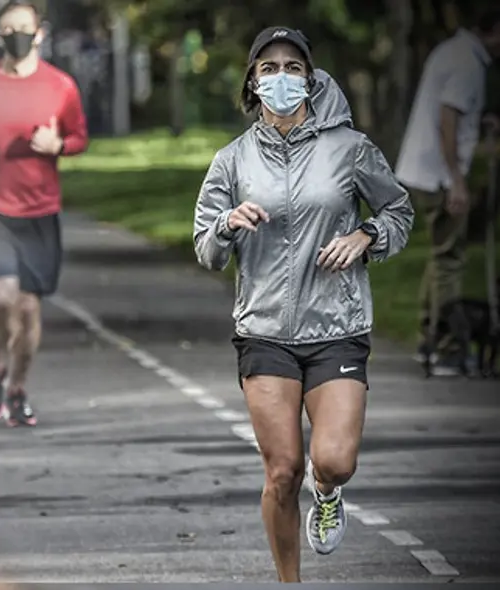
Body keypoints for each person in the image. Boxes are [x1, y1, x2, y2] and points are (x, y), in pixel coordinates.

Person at [193, 27, 414, 582]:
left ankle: (328, 491)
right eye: (269, 68)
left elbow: (399, 211)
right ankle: (289, 581)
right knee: (282, 470)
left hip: (336, 325)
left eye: (293, 67)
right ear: (253, 81)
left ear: (310, 80)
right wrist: (227, 223)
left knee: (333, 460)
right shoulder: (232, 160)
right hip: (265, 330)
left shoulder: (350, 148)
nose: (282, 77)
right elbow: (205, 248)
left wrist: (366, 236)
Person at [0, 0, 88, 427]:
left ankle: (17, 388)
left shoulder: (61, 86)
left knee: (28, 308)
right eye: (9, 29)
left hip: (40, 210)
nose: (17, 36)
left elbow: (79, 136)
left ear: (39, 33)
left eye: (24, 29)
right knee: (2, 295)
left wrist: (59, 146)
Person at [395, 11, 500, 375]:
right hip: (440, 174)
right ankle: (447, 346)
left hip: (424, 169)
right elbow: (447, 119)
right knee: (450, 259)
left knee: (440, 256)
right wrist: (457, 180)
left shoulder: (453, 50)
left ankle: (430, 338)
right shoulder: (469, 63)